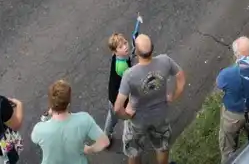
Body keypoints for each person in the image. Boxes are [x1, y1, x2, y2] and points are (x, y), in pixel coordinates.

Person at [115, 32, 185, 164]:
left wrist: (127, 116)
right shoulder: (165, 60)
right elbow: (181, 77)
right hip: (160, 116)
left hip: (138, 121)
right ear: (152, 48)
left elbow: (117, 107)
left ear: (136, 51)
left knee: (134, 151)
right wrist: (173, 96)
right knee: (162, 147)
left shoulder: (129, 75)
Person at [216, 37, 249, 161]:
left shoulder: (227, 74)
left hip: (232, 114)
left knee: (228, 147)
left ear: (236, 55)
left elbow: (220, 85)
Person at [32, 80, 109, 164]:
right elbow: (104, 142)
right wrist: (89, 149)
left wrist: (46, 116)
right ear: (68, 104)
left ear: (51, 105)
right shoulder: (84, 119)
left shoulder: (39, 129)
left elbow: (34, 139)